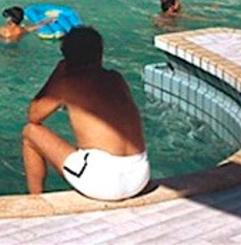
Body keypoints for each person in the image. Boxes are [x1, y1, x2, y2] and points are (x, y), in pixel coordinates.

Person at [22, 26, 150, 201]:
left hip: (105, 184)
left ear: (66, 56)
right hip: (140, 175)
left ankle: (35, 200)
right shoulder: (116, 78)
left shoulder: (67, 84)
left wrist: (56, 75)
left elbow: (34, 116)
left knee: (30, 132)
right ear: (99, 53)